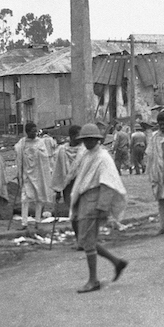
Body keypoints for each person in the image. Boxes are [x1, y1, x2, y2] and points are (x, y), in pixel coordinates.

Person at [66, 123, 129, 293]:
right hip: (85, 198)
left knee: (87, 240)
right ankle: (117, 262)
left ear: (98, 140)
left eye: (91, 140)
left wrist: (102, 206)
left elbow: (108, 183)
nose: (88, 142)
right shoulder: (86, 155)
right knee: (87, 239)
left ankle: (93, 280)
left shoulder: (103, 157)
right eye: (85, 140)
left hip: (95, 199)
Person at [14, 122, 57, 236]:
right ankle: (24, 223)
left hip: (38, 175)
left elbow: (45, 157)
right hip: (26, 175)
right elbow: (17, 153)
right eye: (32, 131)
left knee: (39, 198)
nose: (34, 133)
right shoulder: (22, 143)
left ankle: (37, 221)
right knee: (24, 199)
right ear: (27, 132)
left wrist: (36, 153)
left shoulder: (41, 142)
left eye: (35, 131)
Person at [52, 124, 85, 242]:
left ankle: (84, 238)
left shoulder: (84, 151)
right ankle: (79, 238)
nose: (80, 138)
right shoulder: (61, 151)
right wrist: (57, 190)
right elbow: (58, 171)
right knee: (74, 214)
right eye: (78, 135)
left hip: (83, 185)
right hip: (68, 187)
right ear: (71, 136)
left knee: (84, 213)